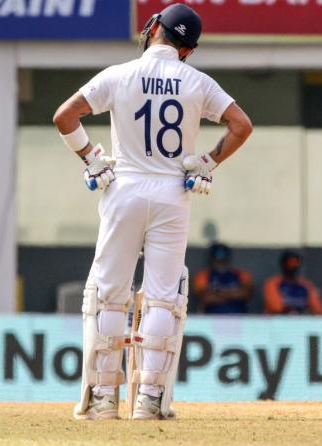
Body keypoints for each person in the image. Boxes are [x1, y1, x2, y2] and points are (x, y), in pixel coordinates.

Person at [52, 3, 252, 421]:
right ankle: (149, 399)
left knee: (109, 293)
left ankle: (104, 398)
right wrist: (208, 163)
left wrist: (90, 158)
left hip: (123, 187)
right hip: (171, 192)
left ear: (155, 28)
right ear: (188, 49)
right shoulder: (197, 81)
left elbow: (65, 116)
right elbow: (241, 125)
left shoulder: (119, 74)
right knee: (162, 297)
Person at [193, 243, 253, 314]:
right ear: (211, 259)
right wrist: (233, 294)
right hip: (211, 318)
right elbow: (206, 298)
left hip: (238, 317)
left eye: (223, 260)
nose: (220, 263)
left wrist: (216, 292)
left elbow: (245, 294)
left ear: (228, 259)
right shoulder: (202, 275)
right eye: (217, 260)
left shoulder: (241, 274)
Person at [263, 251, 322, 315]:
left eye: (296, 263)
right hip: (278, 321)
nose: (293, 266)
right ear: (283, 264)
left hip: (302, 321)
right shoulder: (273, 283)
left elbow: (319, 310)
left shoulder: (306, 285)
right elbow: (276, 307)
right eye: (290, 262)